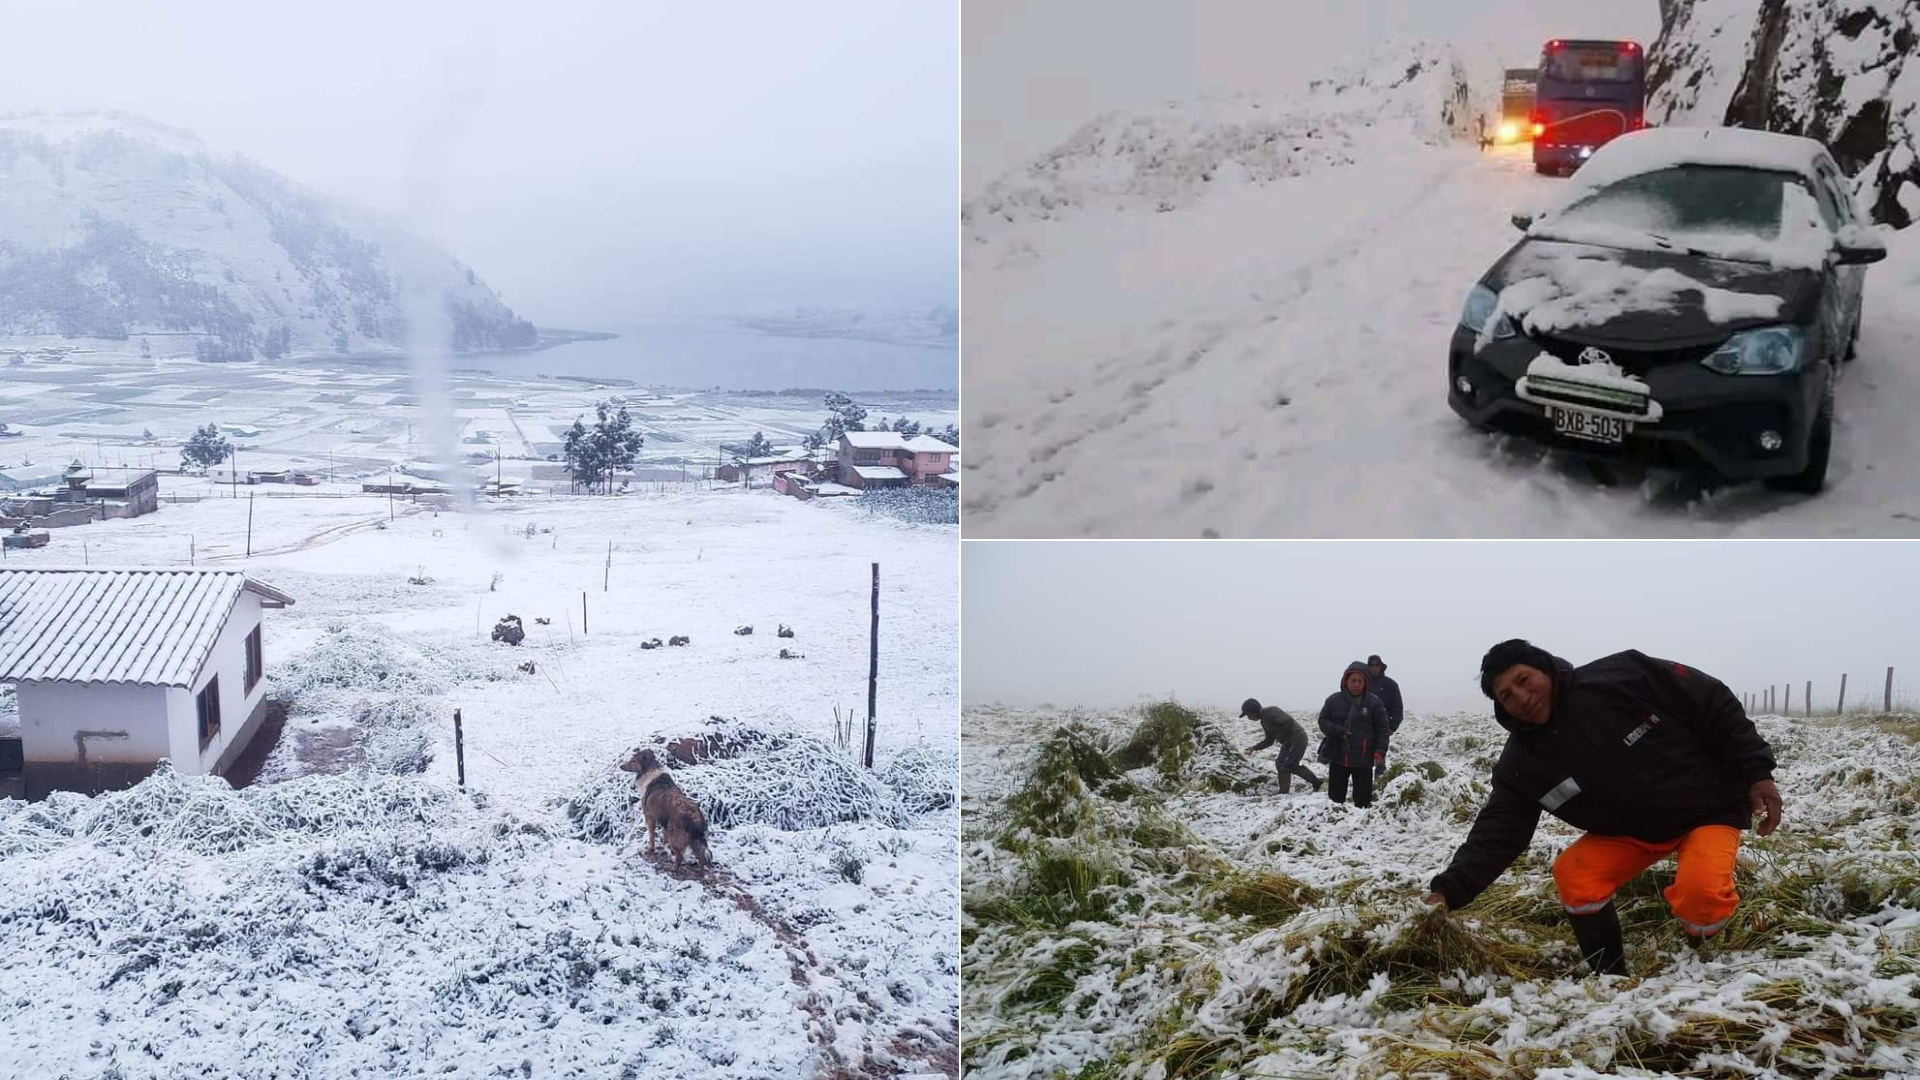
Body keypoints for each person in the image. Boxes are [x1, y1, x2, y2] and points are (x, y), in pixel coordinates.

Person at [1423, 639, 1783, 976]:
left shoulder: (1623, 676)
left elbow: (1711, 701)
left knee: (1700, 899)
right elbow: (1498, 832)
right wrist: (1447, 892)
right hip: (1632, 834)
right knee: (1575, 875)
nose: (1521, 696)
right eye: (1506, 695)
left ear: (1545, 669)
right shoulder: (1522, 764)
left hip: (1706, 811)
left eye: (1523, 679)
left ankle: (1705, 968)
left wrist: (1757, 773)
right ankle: (1611, 979)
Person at [1317, 661, 1391, 808]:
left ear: (1365, 683)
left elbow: (1383, 729)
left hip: (1363, 760)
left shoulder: (1374, 702)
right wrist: (1338, 730)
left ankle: (1362, 829)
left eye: (1360, 681)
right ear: (1346, 681)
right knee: (1335, 802)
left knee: (1363, 803)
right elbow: (1323, 721)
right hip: (1338, 758)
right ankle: (1335, 827)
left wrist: (1380, 751)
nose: (1356, 684)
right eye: (1353, 680)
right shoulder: (1333, 700)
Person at [1240, 698, 1322, 793]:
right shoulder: (1264, 721)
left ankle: (1284, 792)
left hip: (1296, 738)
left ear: (1254, 711)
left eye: (1248, 715)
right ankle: (1317, 783)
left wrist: (1287, 741)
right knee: (1291, 765)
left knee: (1282, 763)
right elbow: (1269, 740)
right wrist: (1254, 748)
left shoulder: (1271, 711)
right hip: (1293, 740)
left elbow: (1287, 722)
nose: (1249, 718)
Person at [1366, 654, 1403, 779]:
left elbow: (1398, 708)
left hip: (1382, 727)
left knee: (1380, 756)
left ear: (1381, 667)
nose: (1374, 668)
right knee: (1362, 757)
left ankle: (1379, 781)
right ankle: (1362, 781)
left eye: (1377, 665)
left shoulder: (1390, 685)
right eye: (1371, 665)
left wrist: (1392, 726)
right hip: (1363, 727)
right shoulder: (1362, 683)